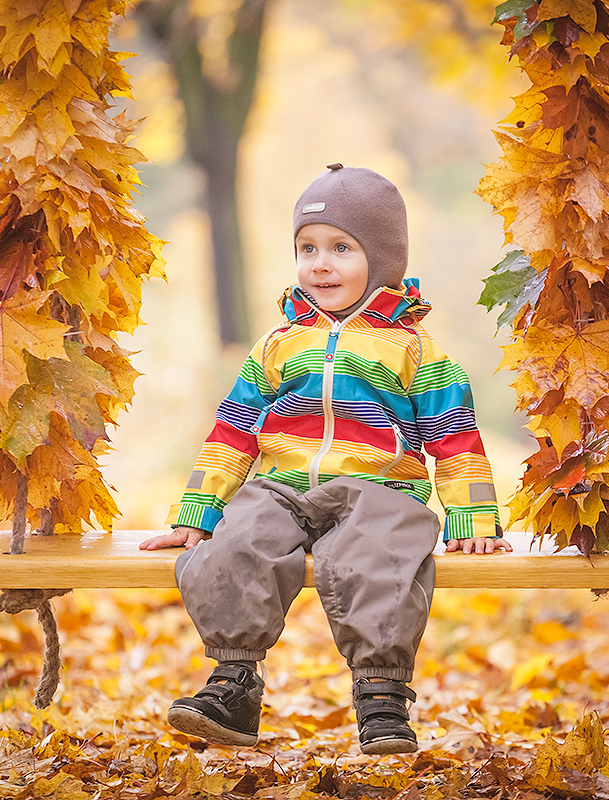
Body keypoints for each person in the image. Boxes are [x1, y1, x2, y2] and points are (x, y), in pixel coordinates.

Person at [142, 163, 510, 755]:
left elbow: (454, 436)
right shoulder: (278, 345)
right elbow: (233, 431)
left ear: (384, 259)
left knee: (381, 553)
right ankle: (233, 684)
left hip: (380, 490)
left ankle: (383, 696)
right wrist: (198, 513)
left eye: (341, 248)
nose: (320, 263)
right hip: (283, 486)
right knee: (238, 541)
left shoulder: (413, 348)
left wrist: (473, 520)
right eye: (307, 248)